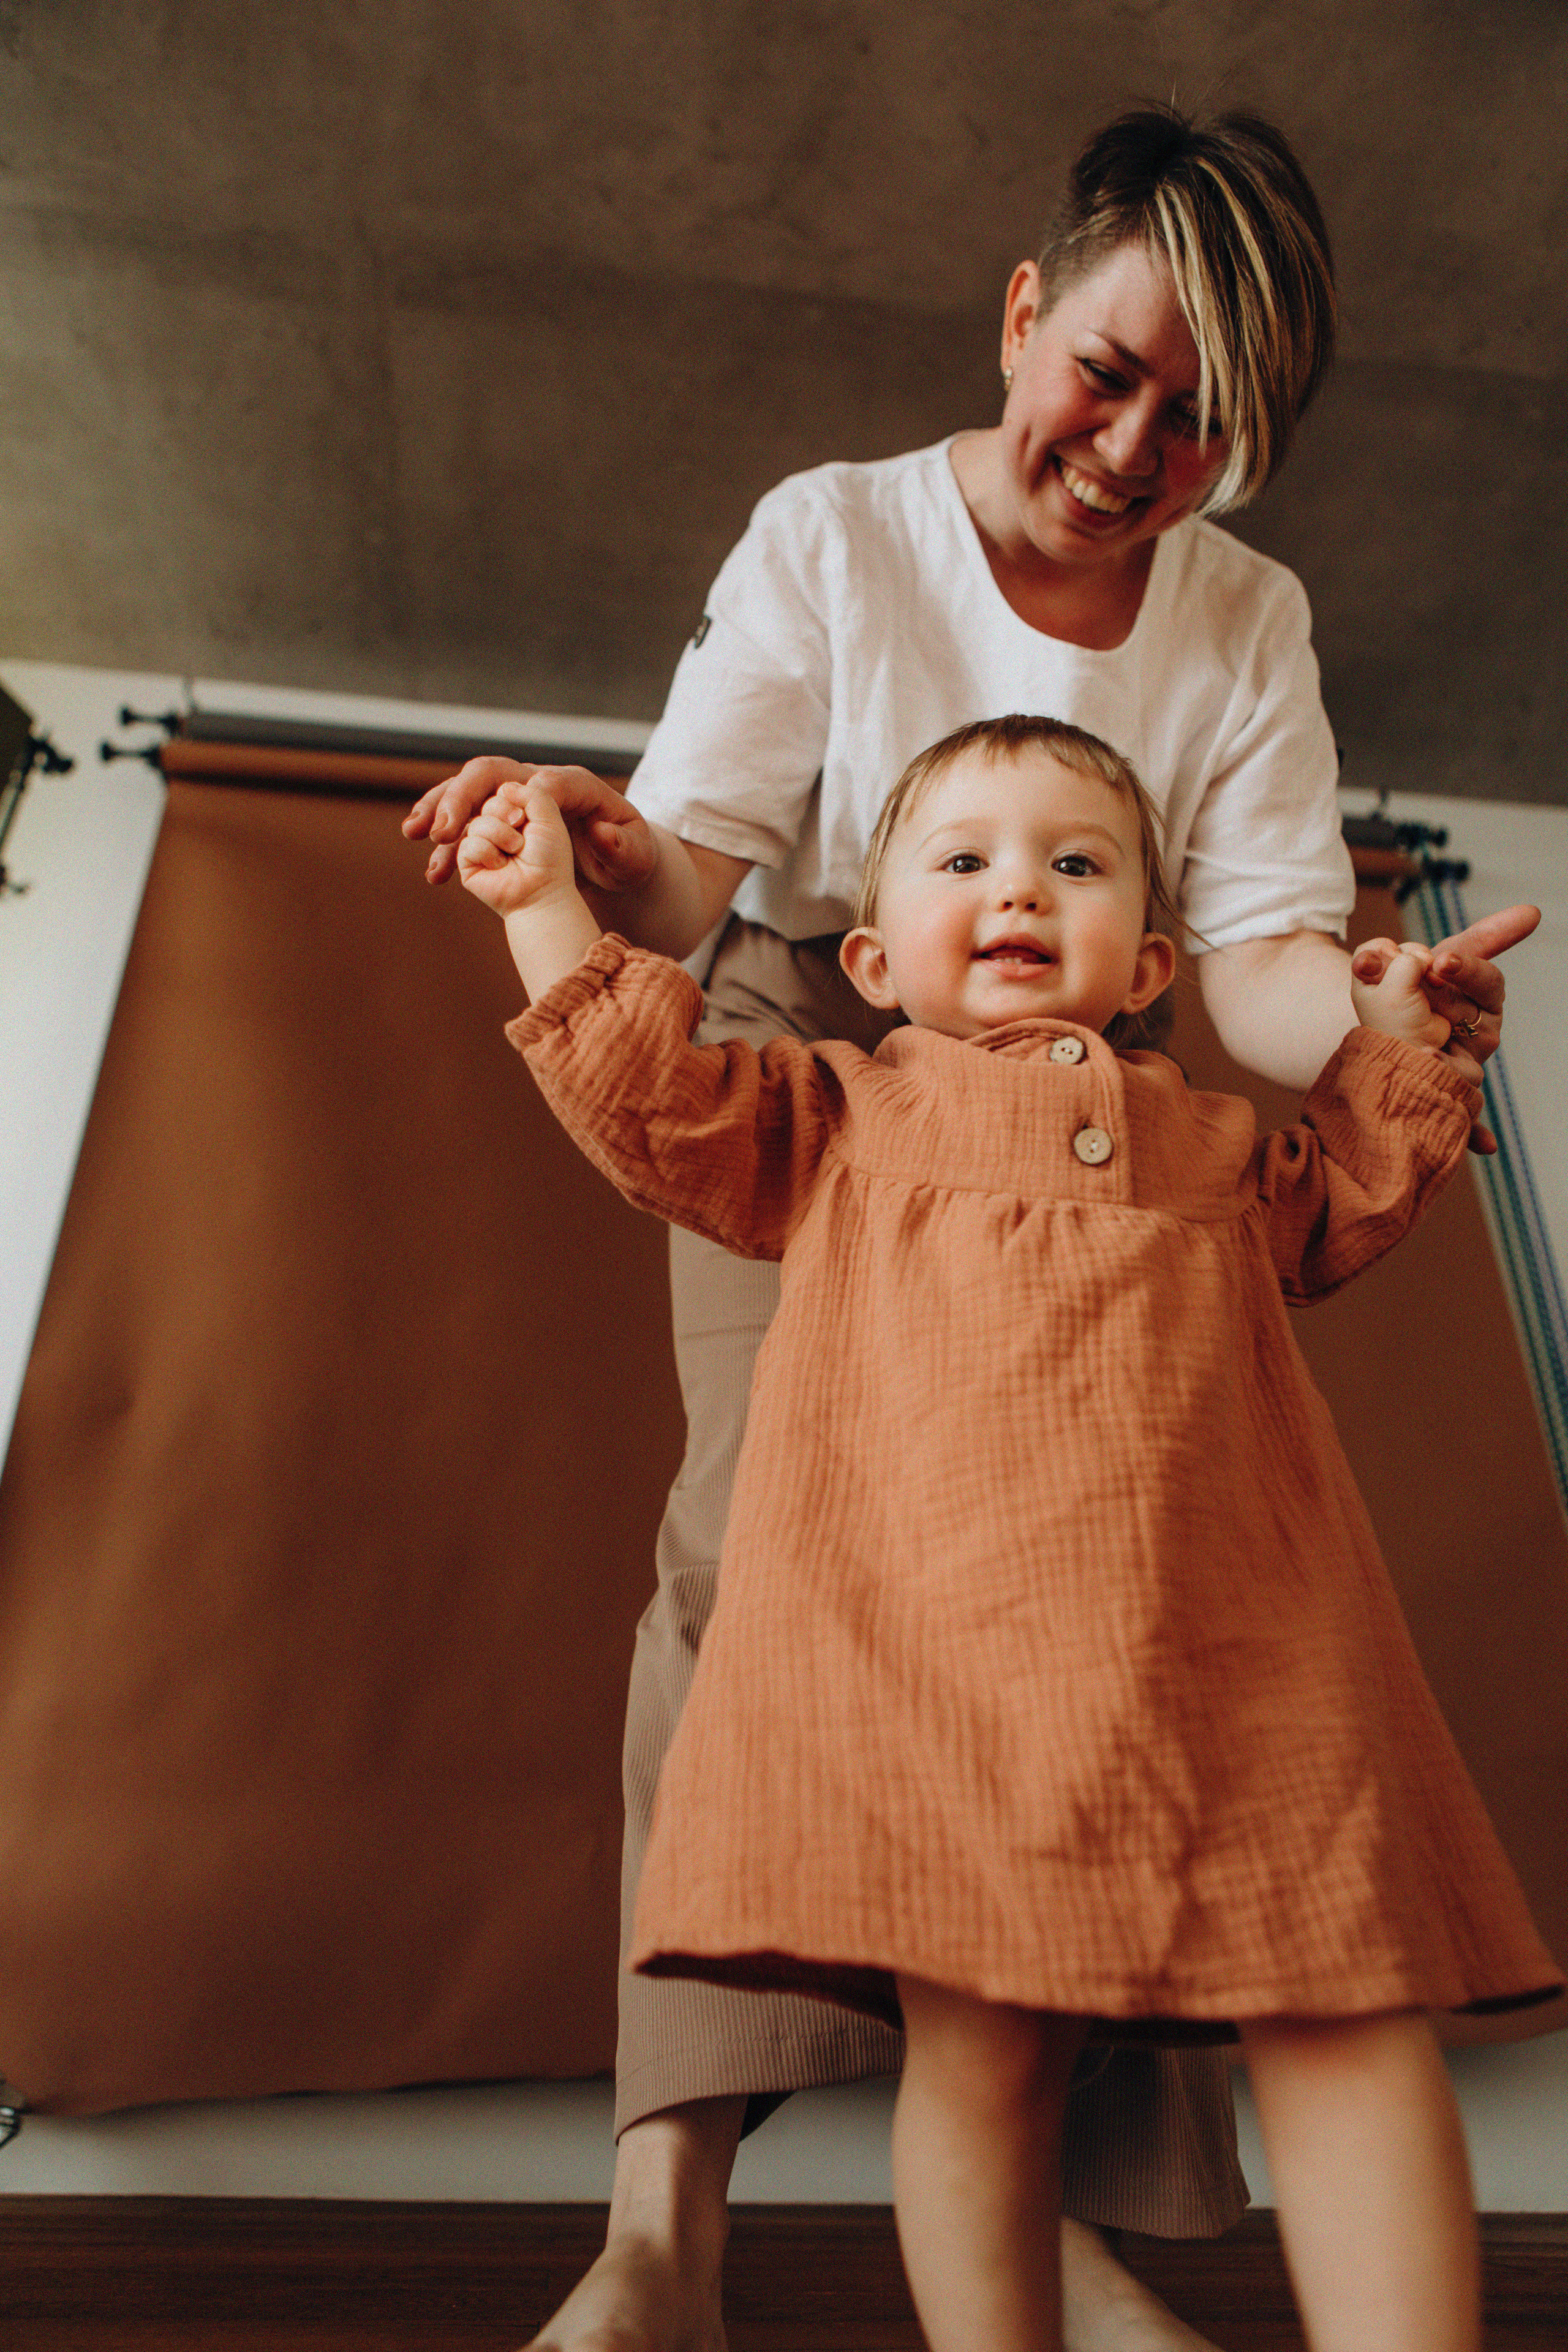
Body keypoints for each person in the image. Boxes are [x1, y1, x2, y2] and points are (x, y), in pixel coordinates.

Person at [405, 104, 1540, 2352]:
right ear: (1024, 312)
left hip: (1107, 1100)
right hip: (821, 1040)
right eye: (1107, 373)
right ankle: (668, 2230)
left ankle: (1037, 2204)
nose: (1134, 447)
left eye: (1206, 423)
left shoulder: (1244, 628)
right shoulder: (836, 534)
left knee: (1110, 1620)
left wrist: (1375, 1022)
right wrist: (563, 877)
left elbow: (1274, 971)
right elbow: (691, 883)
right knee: (767, 1560)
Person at [455, 714, 1558, 2352]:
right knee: (988, 2047)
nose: (1021, 888)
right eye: (965, 860)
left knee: (1344, 1998)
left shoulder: (1211, 1141)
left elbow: (1346, 1200)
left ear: (1150, 962)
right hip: (950, 1653)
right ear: (879, 959)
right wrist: (540, 900)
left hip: (1242, 1645)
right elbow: (645, 1100)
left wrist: (1400, 1038)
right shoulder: (827, 1115)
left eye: (1077, 862)